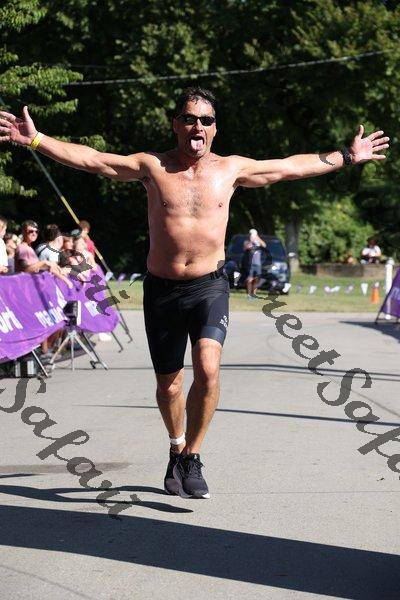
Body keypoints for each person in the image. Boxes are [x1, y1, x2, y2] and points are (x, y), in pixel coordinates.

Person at [0, 87, 389, 499]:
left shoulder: (231, 170)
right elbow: (94, 160)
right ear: (176, 124)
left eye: (206, 120)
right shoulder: (152, 167)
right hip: (161, 290)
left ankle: (193, 456)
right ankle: (176, 447)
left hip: (209, 286)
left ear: (215, 128)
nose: (197, 126)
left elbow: (289, 167)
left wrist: (347, 156)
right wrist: (37, 140)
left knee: (207, 368)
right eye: (189, 118)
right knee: (169, 386)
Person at [243, 228, 266, 298]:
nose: (252, 235)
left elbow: (264, 245)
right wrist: (251, 241)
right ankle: (249, 294)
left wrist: (257, 238)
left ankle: (254, 294)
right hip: (250, 264)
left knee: (257, 279)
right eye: (251, 234)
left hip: (258, 264)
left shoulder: (258, 242)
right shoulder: (247, 242)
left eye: (253, 234)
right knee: (249, 279)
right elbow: (246, 248)